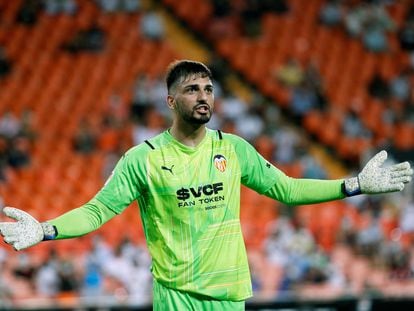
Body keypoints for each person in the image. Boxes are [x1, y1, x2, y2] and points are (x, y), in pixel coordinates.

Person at [0, 60, 412, 310]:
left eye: (209, 89)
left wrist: (353, 184)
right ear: (170, 101)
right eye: (192, 89)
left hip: (230, 296)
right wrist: (46, 229)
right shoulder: (142, 159)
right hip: (177, 297)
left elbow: (286, 189)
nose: (204, 96)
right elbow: (96, 211)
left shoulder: (233, 149)